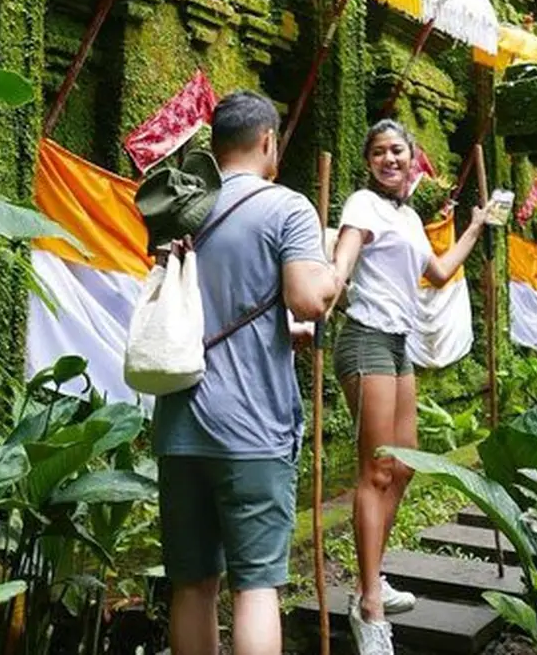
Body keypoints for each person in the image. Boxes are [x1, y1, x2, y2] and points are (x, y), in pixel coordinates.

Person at [152, 90, 339, 655]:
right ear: (267, 141)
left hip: (180, 423)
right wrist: (335, 271)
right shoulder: (287, 207)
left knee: (192, 585)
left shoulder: (177, 206)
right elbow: (307, 299)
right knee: (255, 586)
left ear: (215, 145)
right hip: (252, 428)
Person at [331, 119, 489, 654]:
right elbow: (344, 257)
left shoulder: (409, 217)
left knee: (404, 465)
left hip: (399, 346)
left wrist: (475, 227)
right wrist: (332, 283)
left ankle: (367, 582)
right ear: (368, 162)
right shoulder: (362, 205)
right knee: (375, 469)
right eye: (378, 152)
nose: (388, 159)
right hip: (365, 340)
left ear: (413, 156)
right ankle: (370, 606)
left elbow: (438, 272)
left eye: (396, 150)